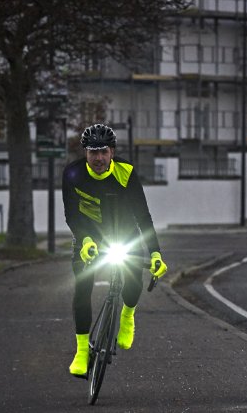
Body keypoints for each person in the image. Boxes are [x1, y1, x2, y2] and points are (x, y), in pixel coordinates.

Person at [61, 123, 168, 378]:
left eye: (104, 152)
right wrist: (85, 240)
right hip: (89, 237)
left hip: (123, 233)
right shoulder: (72, 174)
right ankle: (81, 351)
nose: (98, 158)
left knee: (133, 281)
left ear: (112, 152)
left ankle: (128, 315)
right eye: (93, 152)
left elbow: (143, 216)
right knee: (82, 286)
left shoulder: (126, 173)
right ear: (85, 153)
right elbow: (71, 215)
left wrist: (155, 253)